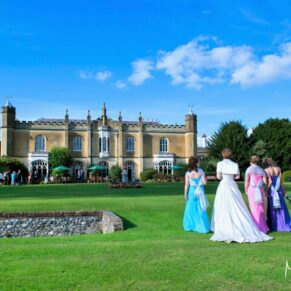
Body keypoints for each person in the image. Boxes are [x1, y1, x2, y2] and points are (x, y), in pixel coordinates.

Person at [210, 148, 272, 243]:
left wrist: (224, 176)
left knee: (221, 204)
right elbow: (238, 176)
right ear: (231, 155)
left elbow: (218, 177)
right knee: (237, 205)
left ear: (223, 155)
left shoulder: (220, 164)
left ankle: (222, 226)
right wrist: (232, 176)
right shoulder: (235, 164)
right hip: (232, 184)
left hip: (223, 184)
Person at [183, 156, 210, 233]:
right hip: (200, 190)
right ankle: (201, 227)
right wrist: (205, 177)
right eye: (198, 162)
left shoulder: (188, 173)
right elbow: (205, 183)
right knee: (200, 208)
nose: (199, 163)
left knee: (190, 208)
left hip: (191, 191)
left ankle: (191, 226)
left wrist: (185, 194)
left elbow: (186, 184)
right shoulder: (201, 171)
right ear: (196, 163)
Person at [263, 158, 291, 232]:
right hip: (279, 190)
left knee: (273, 208)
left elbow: (269, 182)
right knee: (281, 207)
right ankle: (284, 224)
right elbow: (281, 182)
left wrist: (266, 191)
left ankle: (275, 225)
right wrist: (285, 193)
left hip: (272, 191)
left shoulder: (266, 170)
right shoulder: (278, 169)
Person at [244, 156, 269, 233]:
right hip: (260, 189)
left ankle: (256, 226)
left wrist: (246, 190)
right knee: (260, 207)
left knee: (253, 207)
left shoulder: (249, 169)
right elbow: (265, 182)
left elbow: (246, 181)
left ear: (251, 161)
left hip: (252, 189)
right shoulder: (262, 170)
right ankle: (262, 226)